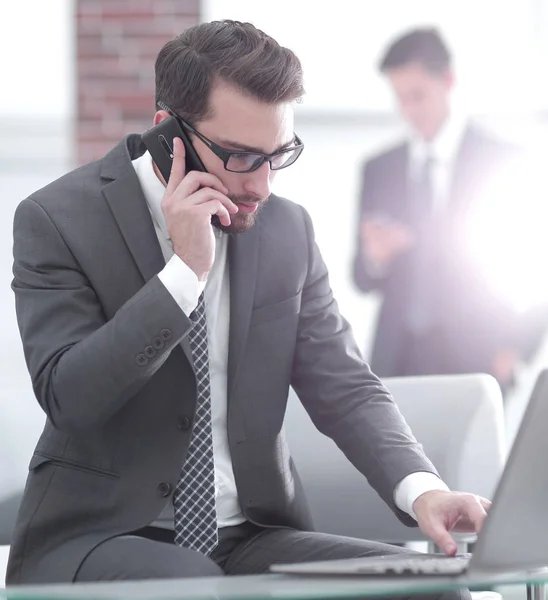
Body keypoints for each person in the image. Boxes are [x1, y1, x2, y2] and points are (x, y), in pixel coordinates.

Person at [8, 20, 486, 595]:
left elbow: (345, 385)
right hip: (97, 537)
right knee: (195, 584)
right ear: (168, 134)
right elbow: (70, 397)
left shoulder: (287, 229)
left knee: (439, 587)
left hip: (251, 536)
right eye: (239, 157)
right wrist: (183, 275)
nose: (261, 186)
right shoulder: (57, 219)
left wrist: (423, 489)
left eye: (277, 155)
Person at [352, 27, 534, 391]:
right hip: (397, 363)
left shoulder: (503, 162)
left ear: (448, 80)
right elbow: (361, 277)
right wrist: (375, 257)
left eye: (418, 96)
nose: (409, 110)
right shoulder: (379, 169)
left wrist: (516, 346)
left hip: (479, 357)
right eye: (400, 98)